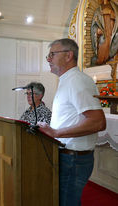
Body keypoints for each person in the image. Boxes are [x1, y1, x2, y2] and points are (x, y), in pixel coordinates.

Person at [38, 38, 106, 206]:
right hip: (68, 156)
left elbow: (98, 122)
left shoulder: (77, 81)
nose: (48, 59)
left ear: (69, 55)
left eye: (52, 54)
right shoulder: (67, 80)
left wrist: (56, 133)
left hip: (73, 159)